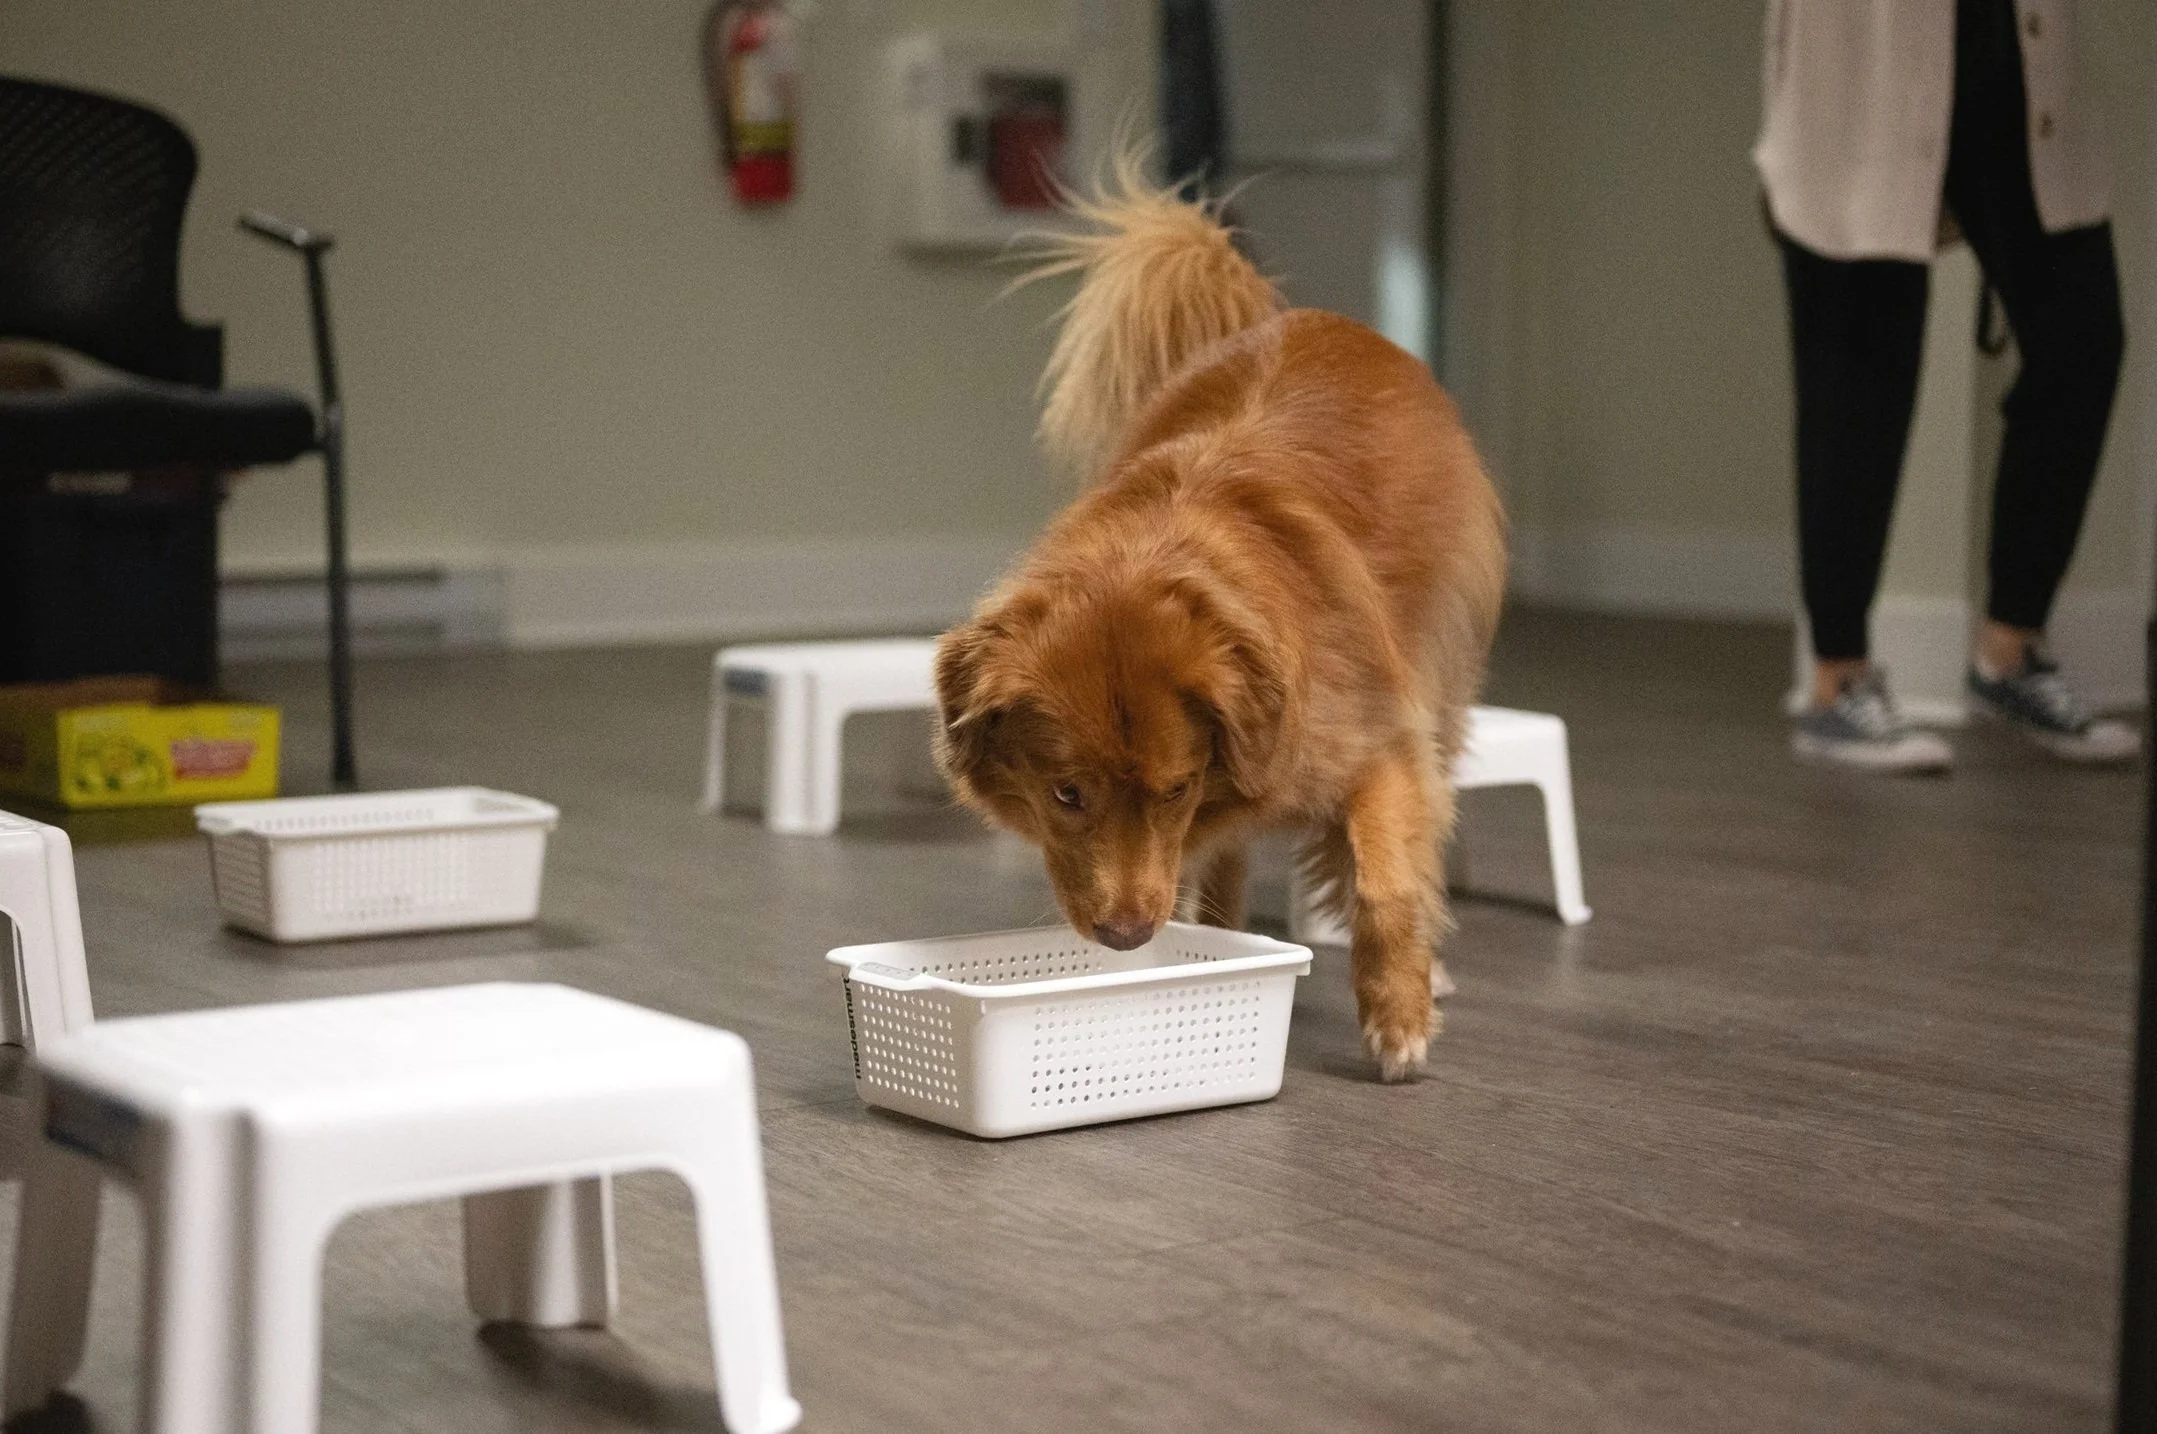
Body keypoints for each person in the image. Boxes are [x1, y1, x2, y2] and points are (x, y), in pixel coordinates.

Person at [1756, 0, 2136, 772]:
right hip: (1863, 62)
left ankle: (2008, 648)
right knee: (1858, 369)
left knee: (2082, 342)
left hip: (2017, 58)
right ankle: (1837, 684)